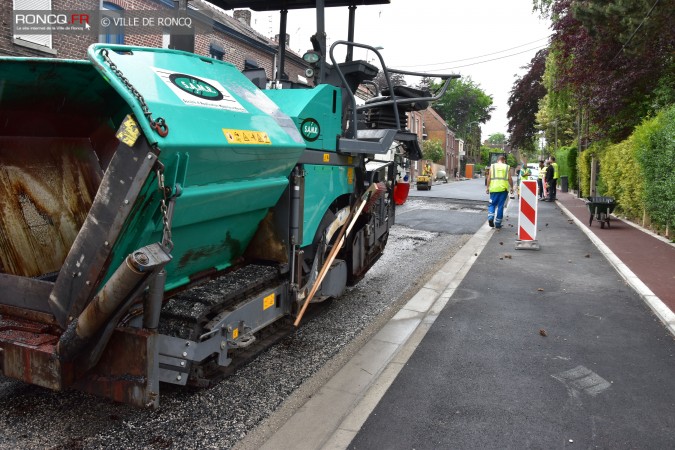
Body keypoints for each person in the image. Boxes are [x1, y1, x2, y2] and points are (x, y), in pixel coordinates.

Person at [485, 155, 514, 228]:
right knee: (500, 206)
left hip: (494, 189)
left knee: (492, 204)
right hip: (503, 189)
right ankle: (498, 223)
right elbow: (510, 178)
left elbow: (489, 178)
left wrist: (487, 187)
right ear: (504, 161)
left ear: (497, 160)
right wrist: (511, 187)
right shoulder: (507, 167)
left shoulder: (493, 166)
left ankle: (490, 217)